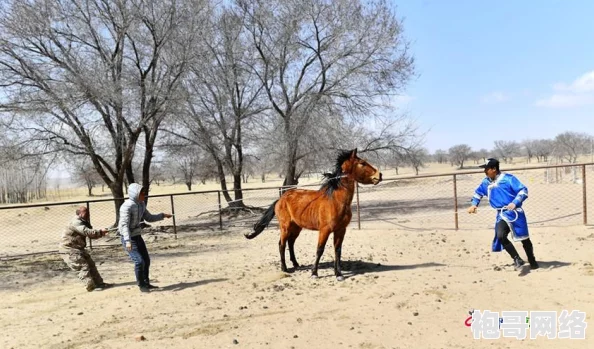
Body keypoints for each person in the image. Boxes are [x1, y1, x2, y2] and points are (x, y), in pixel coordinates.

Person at [468, 158, 539, 270]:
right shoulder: (485, 182)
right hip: (502, 214)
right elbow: (478, 193)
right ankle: (517, 258)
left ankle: (532, 259)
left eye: (486, 169)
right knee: (500, 235)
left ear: (494, 169)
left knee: (524, 238)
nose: (485, 171)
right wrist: (474, 204)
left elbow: (523, 191)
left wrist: (515, 202)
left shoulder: (509, 179)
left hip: (515, 213)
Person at [119, 183, 172, 292]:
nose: (144, 195)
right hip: (128, 238)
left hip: (137, 236)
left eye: (144, 192)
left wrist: (162, 215)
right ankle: (141, 285)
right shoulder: (127, 206)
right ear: (135, 194)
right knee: (139, 261)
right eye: (142, 193)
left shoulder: (141, 204)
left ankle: (146, 283)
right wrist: (127, 241)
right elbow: (124, 225)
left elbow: (149, 217)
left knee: (146, 260)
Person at [59, 205, 112, 292]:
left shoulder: (83, 221)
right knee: (83, 267)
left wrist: (101, 233)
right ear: (79, 213)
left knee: (91, 265)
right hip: (69, 249)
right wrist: (100, 232)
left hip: (78, 248)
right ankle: (91, 287)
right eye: (85, 212)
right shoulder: (76, 222)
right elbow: (86, 231)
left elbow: (90, 235)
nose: (88, 214)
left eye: (88, 212)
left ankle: (99, 284)